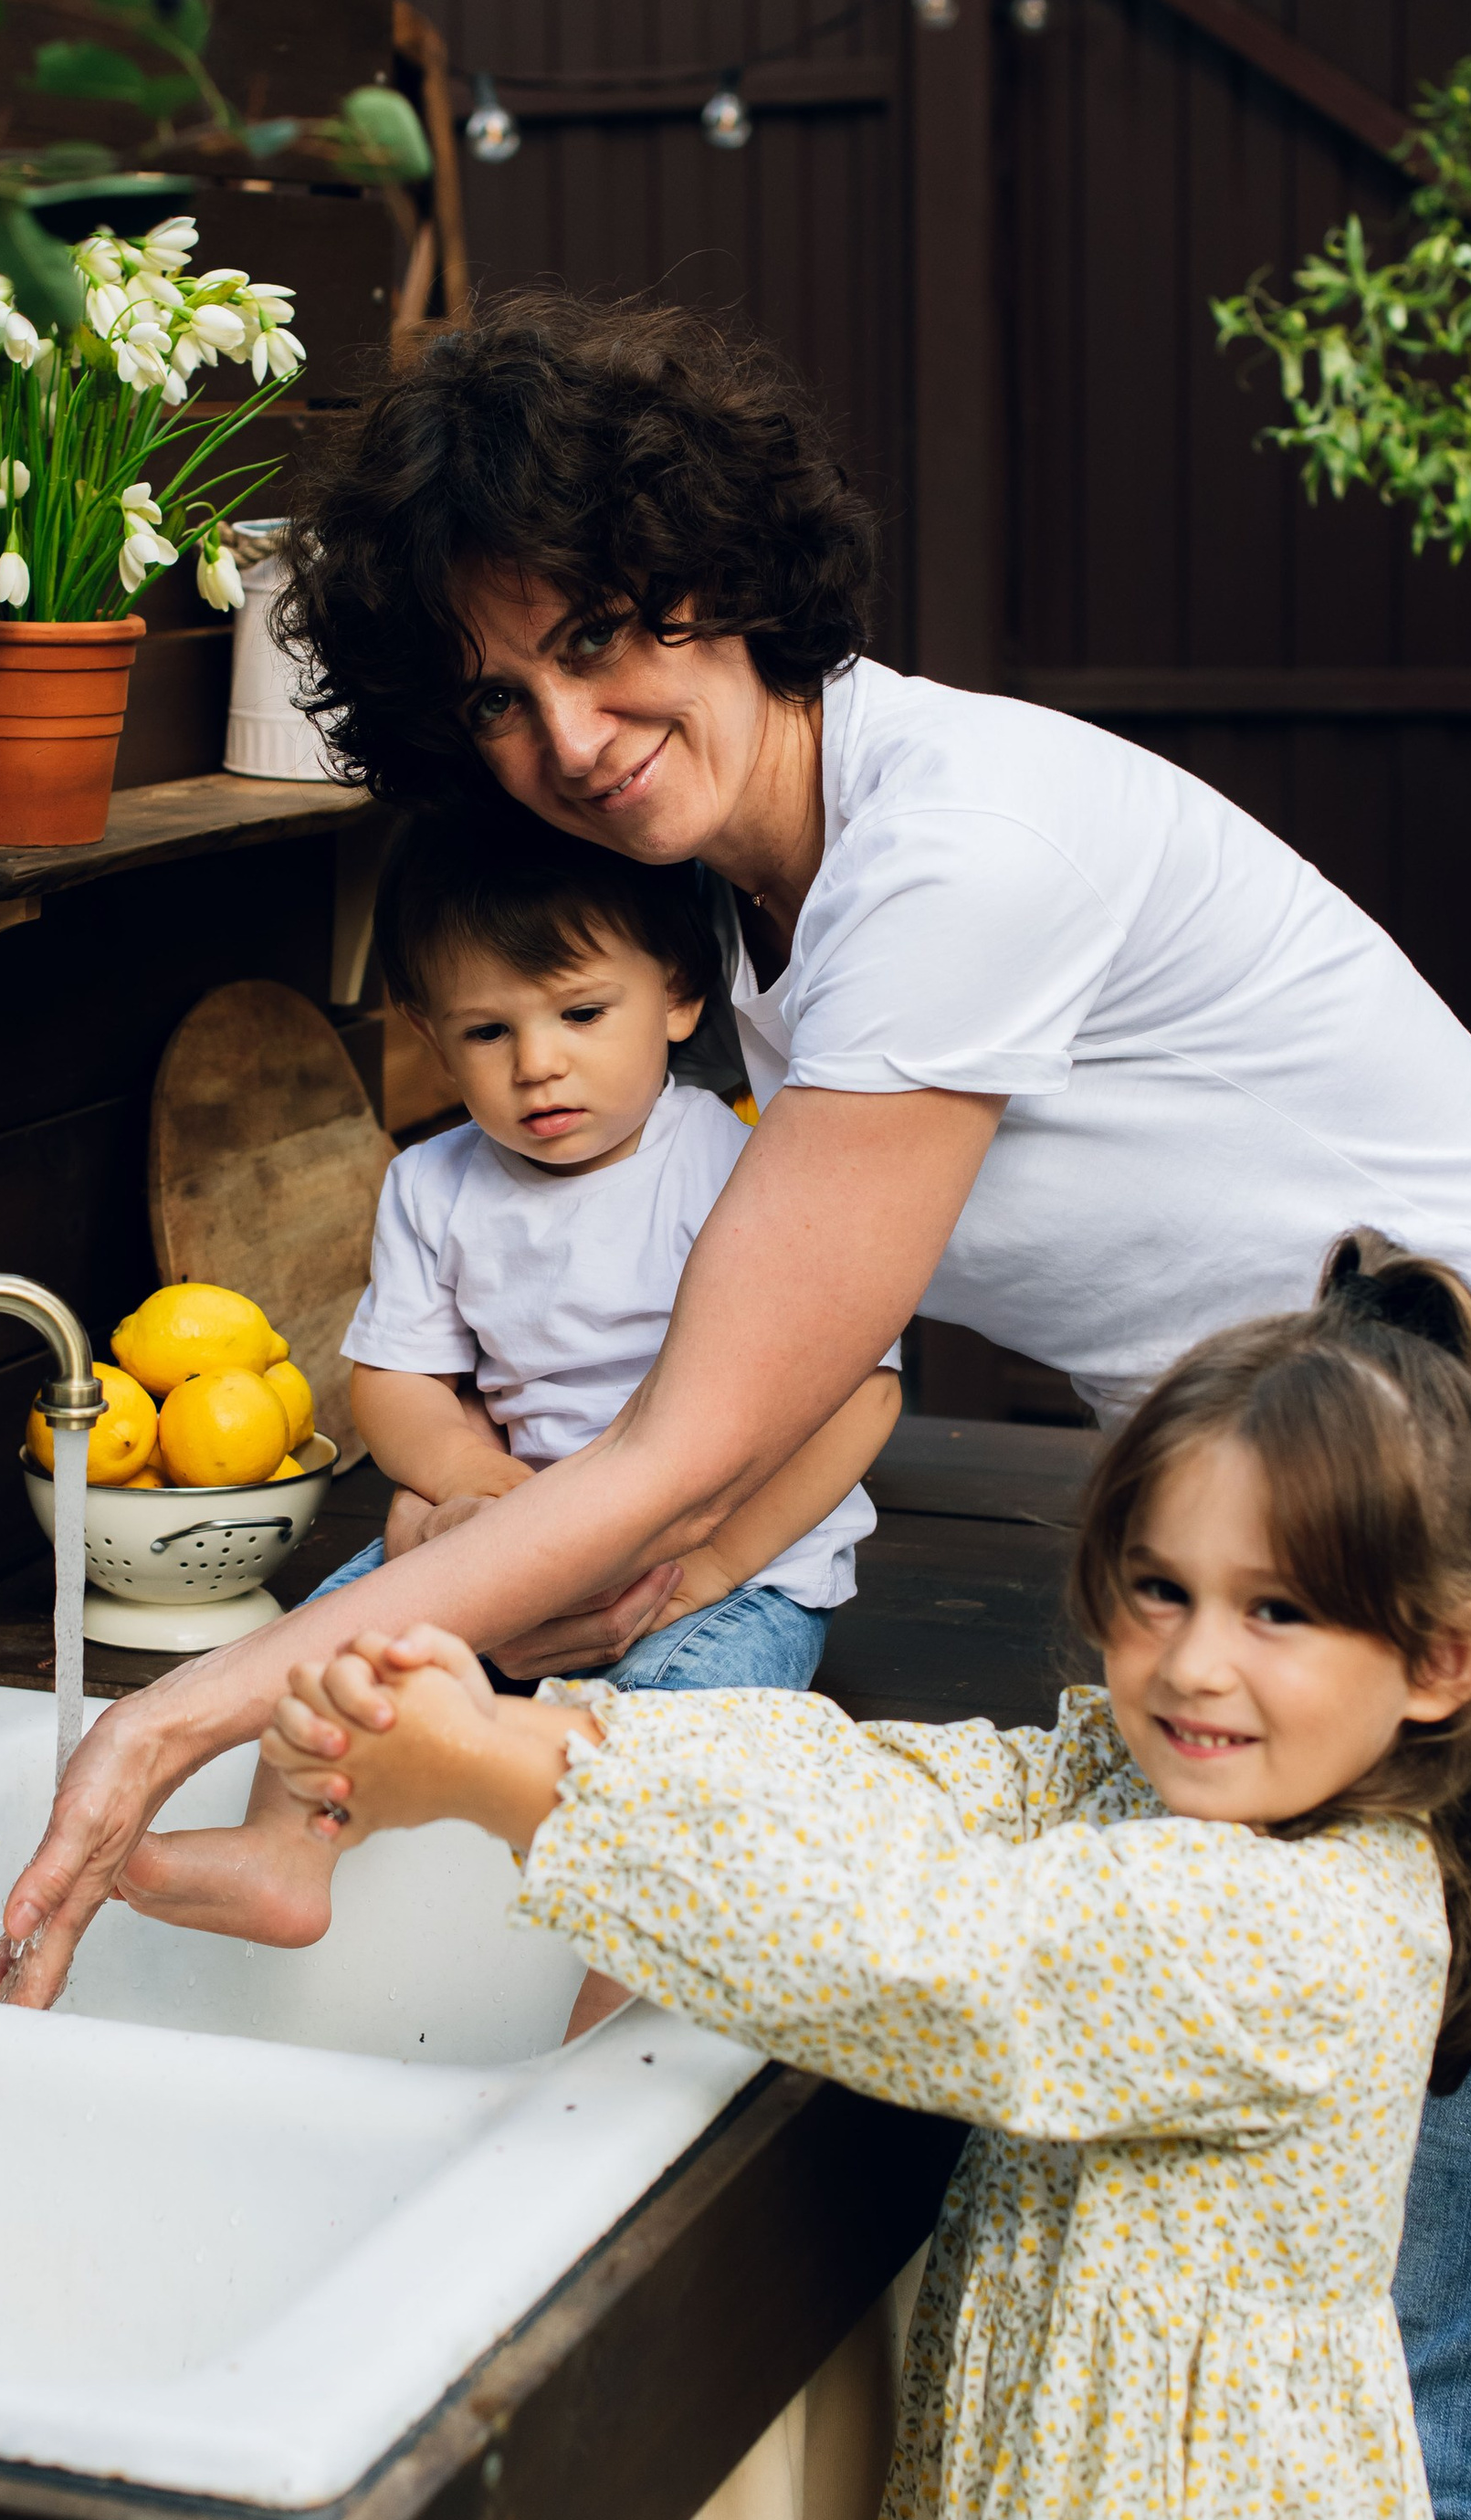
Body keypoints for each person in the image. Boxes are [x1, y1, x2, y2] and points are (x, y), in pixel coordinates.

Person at [0, 297, 1471, 2520]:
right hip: (1292, 1552)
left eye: (609, 630)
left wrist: (221, 1684)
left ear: (737, 577)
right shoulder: (765, 914)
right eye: (499, 686)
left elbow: (696, 1423)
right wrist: (611, 1606)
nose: (568, 727)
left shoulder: (943, 853)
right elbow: (764, 1421)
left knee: (1437, 2427)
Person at [256, 1244, 1471, 2520]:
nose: (1191, 1664)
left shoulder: (1293, 1929)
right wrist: (578, 1742)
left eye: (1281, 1610)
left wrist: (515, 1789)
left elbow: (925, 1950)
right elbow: (906, 1793)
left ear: (1445, 1662)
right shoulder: (1162, 1792)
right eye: (1158, 1589)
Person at [130, 801, 899, 1970]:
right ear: (432, 1040)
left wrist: (725, 1564)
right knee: (332, 1657)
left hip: (736, 1570)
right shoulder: (435, 1186)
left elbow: (860, 1396)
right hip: (520, 1537)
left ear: (679, 996)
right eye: (488, 1031)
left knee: (679, 1739)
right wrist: (475, 1483)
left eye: (583, 1014)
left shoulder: (734, 1162)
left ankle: (625, 1980)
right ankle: (285, 1849)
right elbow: (395, 1385)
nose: (538, 1063)